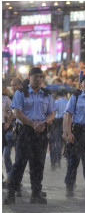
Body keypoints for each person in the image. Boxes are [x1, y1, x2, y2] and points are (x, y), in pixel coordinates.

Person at [4, 67, 55, 204]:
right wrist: (33, 124)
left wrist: (44, 122)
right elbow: (17, 112)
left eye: (41, 76)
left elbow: (52, 113)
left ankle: (36, 193)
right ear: (29, 77)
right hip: (25, 131)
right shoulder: (21, 93)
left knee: (38, 163)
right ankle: (11, 192)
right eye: (36, 76)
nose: (38, 79)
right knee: (20, 162)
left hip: (41, 132)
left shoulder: (47, 94)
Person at [49, 91, 68, 170]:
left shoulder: (57, 102)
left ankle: (55, 161)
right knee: (65, 143)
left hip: (57, 123)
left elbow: (52, 111)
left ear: (58, 96)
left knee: (56, 142)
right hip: (66, 123)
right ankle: (63, 161)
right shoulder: (69, 101)